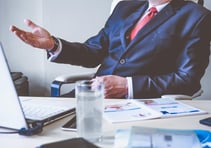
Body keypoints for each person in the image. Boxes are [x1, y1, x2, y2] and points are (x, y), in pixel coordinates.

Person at [10, 0, 211, 99]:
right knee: (35, 125)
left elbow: (187, 78)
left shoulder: (197, 17)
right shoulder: (126, 6)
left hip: (142, 103)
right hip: (93, 96)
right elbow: (94, 51)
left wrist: (127, 86)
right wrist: (53, 44)